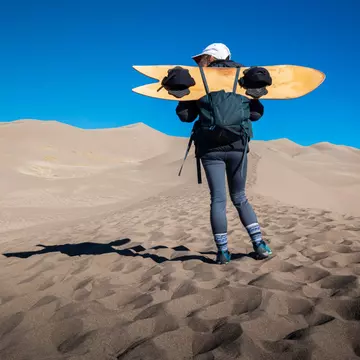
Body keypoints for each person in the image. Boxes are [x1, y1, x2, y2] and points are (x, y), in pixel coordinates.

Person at [175, 43, 272, 264]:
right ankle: (259, 245)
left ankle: (222, 252)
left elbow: (185, 116)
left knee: (218, 200)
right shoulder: (243, 78)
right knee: (239, 197)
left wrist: (186, 97)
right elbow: (256, 115)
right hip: (238, 146)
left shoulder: (200, 80)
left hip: (210, 150)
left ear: (210, 58)